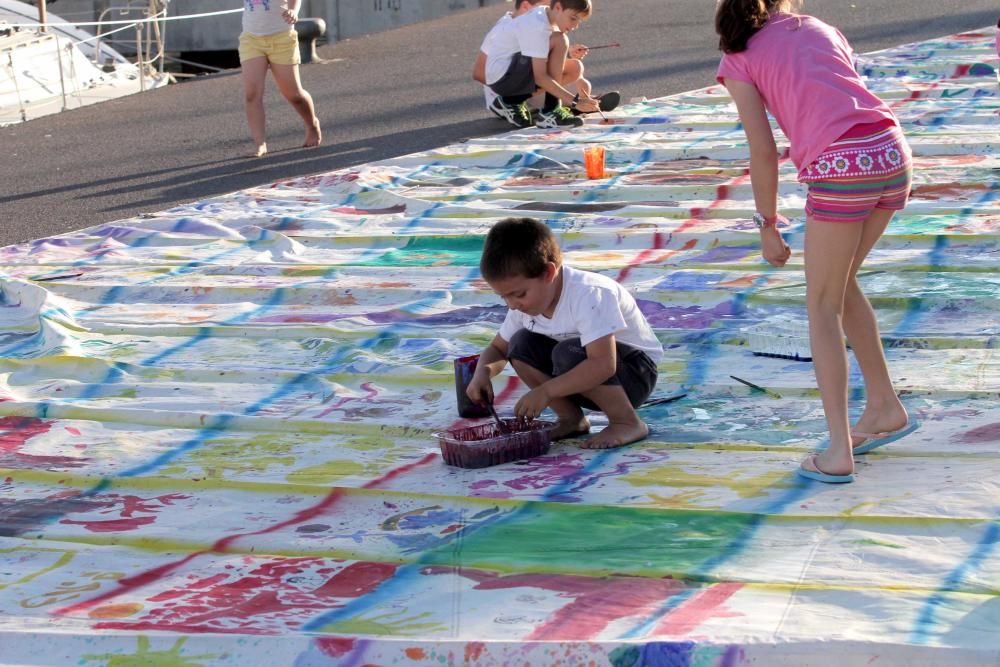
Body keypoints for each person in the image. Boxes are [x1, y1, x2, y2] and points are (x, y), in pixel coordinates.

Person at [715, 0, 914, 483]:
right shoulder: (822, 28)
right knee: (841, 286)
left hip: (843, 167)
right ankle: (885, 406)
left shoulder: (738, 55)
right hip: (891, 152)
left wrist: (767, 224)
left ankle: (838, 449)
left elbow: (762, 150)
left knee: (821, 305)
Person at [466, 217, 662, 449]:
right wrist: (482, 373)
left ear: (549, 273)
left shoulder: (590, 293)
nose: (512, 304)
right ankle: (572, 419)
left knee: (565, 352)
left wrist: (545, 391)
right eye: (504, 297)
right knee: (520, 344)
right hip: (579, 373)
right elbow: (499, 348)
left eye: (518, 295)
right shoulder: (525, 305)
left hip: (633, 376)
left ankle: (626, 421)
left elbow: (602, 365)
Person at [472, 0, 619, 123]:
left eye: (579, 20)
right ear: (558, 7)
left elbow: (543, 56)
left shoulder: (544, 16)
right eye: (573, 18)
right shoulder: (535, 24)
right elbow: (540, 76)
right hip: (502, 82)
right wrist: (576, 102)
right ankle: (551, 111)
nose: (575, 26)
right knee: (561, 41)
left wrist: (567, 53)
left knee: (574, 68)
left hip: (514, 77)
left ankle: (514, 102)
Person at [239, 0, 321, 157]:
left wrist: (293, 11)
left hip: (282, 38)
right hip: (251, 39)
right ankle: (260, 143)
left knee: (294, 94)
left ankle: (312, 124)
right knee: (252, 94)